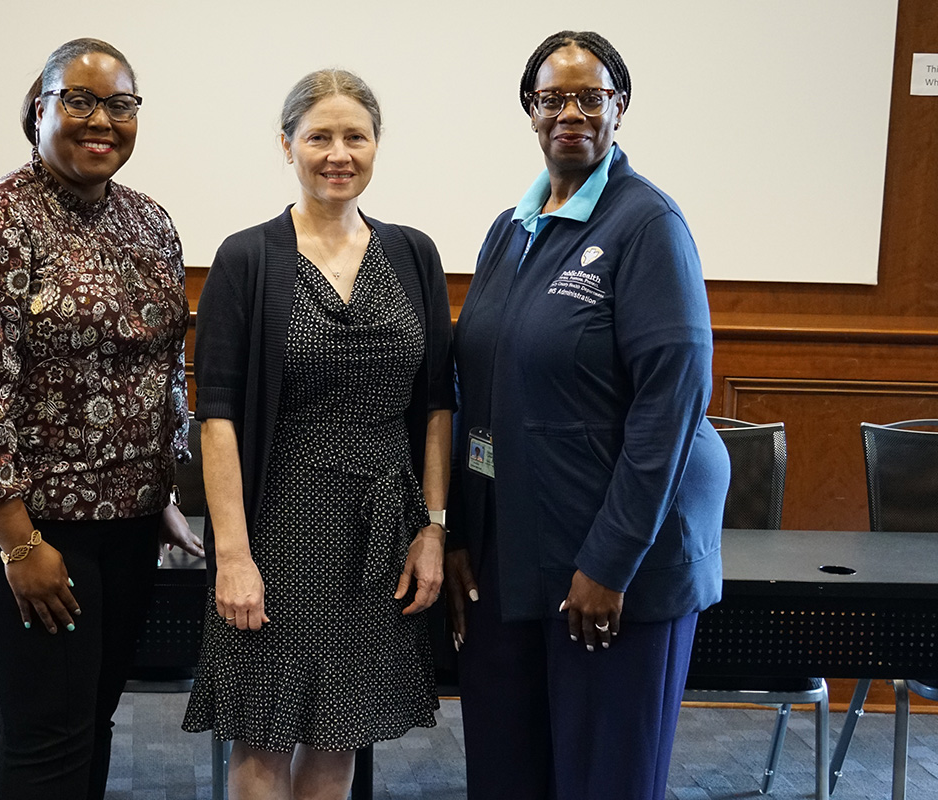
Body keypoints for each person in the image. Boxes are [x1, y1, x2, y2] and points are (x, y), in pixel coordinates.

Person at [444, 31, 730, 800]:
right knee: (507, 778)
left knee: (603, 783)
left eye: (590, 96)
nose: (570, 111)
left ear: (619, 108)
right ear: (530, 112)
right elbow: (482, 388)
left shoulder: (647, 226)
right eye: (552, 98)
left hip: (614, 573)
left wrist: (610, 564)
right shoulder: (512, 228)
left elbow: (670, 407)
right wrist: (465, 532)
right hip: (510, 565)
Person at [0, 37, 204, 800]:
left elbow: (164, 368)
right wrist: (18, 542)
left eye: (120, 104)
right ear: (38, 110)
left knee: (93, 716)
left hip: (130, 514)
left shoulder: (152, 224)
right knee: (49, 729)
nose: (100, 119)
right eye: (78, 100)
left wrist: (165, 490)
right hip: (26, 519)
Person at [182, 69, 455, 800]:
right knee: (264, 734)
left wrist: (432, 527)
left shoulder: (413, 254)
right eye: (319, 136)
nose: (339, 153)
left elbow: (436, 406)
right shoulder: (247, 258)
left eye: (355, 136)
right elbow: (218, 419)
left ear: (376, 146)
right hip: (277, 526)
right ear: (287, 145)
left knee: (341, 733)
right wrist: (231, 556)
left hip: (382, 532)